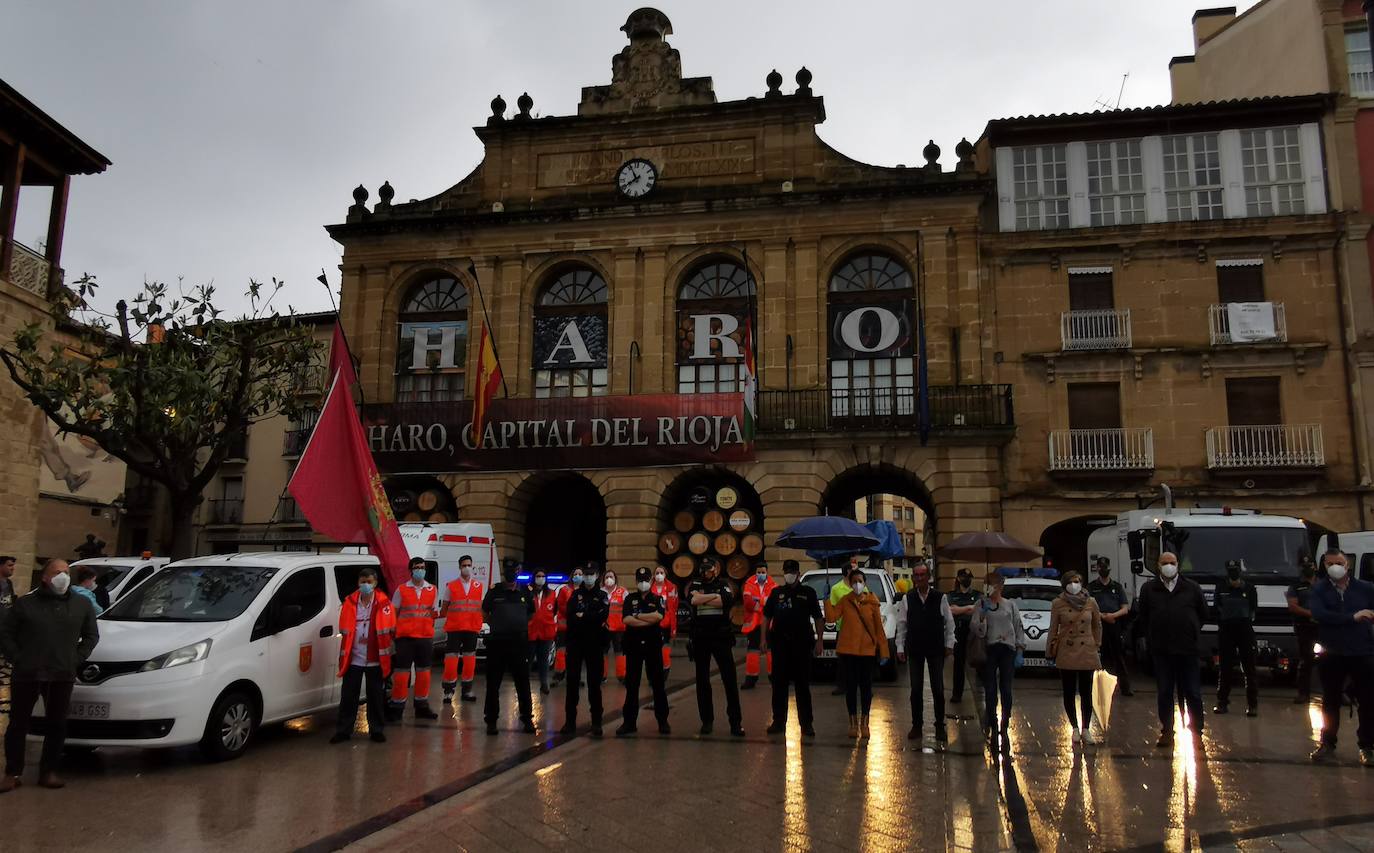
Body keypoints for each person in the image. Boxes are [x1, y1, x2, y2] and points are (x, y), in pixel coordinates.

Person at [0, 560, 99, 792]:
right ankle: (12, 772)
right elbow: (6, 633)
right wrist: (17, 658)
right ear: (45, 577)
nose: (62, 576)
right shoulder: (26, 604)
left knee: (56, 724)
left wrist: (76, 659)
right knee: (18, 724)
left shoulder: (81, 604)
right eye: (57, 573)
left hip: (61, 673)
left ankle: (48, 771)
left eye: (65, 572)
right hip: (28, 673)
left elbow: (91, 636)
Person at [1134, 551, 1207, 748]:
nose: (1169, 565)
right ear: (1158, 565)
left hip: (1187, 649)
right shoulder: (1149, 589)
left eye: (1172, 562)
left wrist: (1190, 631)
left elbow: (1203, 614)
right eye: (1165, 562)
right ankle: (1167, 731)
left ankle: (1197, 732)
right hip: (1162, 650)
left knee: (1193, 692)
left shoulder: (1191, 588)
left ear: (1178, 565)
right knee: (1165, 692)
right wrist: (1152, 637)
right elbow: (1144, 616)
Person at [1308, 550, 1374, 765]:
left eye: (1339, 562)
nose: (1334, 566)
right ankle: (1327, 743)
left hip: (1362, 652)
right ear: (1324, 566)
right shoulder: (1319, 589)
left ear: (1347, 565)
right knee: (1330, 700)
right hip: (1332, 652)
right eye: (1330, 563)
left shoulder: (1365, 589)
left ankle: (1368, 746)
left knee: (1367, 700)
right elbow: (1319, 614)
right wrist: (1352, 617)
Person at [330, 566, 395, 745]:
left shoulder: (384, 604)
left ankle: (377, 730)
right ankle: (343, 731)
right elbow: (344, 630)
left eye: (369, 582)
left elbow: (390, 631)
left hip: (376, 659)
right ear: (358, 583)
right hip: (354, 658)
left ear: (375, 583)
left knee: (375, 697)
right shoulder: (349, 603)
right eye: (362, 582)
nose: (365, 585)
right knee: (348, 697)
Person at [895, 559, 954, 746]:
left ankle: (939, 726)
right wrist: (900, 646)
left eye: (922, 575)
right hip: (915, 647)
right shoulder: (908, 598)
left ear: (929, 577)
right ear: (913, 578)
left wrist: (949, 643)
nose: (919, 578)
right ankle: (916, 725)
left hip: (935, 647)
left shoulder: (940, 597)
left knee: (937, 688)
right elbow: (902, 624)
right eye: (916, 576)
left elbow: (949, 623)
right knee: (916, 689)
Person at [763, 559, 824, 737]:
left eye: (792, 571)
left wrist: (819, 640)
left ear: (798, 573)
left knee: (802, 686)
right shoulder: (776, 593)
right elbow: (766, 617)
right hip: (780, 644)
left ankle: (806, 724)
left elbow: (818, 618)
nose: (789, 574)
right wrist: (763, 639)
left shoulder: (808, 592)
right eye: (786, 571)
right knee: (779, 685)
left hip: (802, 644)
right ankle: (778, 721)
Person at [829, 566, 889, 739]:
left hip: (867, 652)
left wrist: (884, 651)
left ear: (865, 583)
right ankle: (853, 724)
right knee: (850, 689)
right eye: (854, 582)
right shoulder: (845, 601)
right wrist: (828, 601)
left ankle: (865, 723)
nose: (856, 585)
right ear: (849, 583)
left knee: (866, 689)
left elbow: (879, 629)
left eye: (859, 581)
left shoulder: (872, 602)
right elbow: (832, 618)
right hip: (848, 652)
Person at [687, 556, 744, 736]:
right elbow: (693, 601)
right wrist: (713, 597)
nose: (706, 572)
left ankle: (735, 722)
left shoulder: (724, 584)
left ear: (715, 570)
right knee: (702, 680)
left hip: (721, 637)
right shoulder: (695, 584)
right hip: (701, 637)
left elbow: (725, 601)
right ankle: (707, 721)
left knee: (729, 680)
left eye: (709, 569)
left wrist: (704, 597)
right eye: (703, 569)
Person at [970, 572, 1025, 754]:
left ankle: (1005, 722)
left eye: (992, 584)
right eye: (987, 583)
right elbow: (977, 630)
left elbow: (1018, 627)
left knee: (1006, 688)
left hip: (1007, 649)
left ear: (1000, 586)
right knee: (990, 688)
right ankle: (992, 720)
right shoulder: (981, 604)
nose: (989, 587)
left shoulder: (1010, 605)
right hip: (990, 650)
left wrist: (1019, 650)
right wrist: (983, 615)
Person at [1048, 571, 1103, 744]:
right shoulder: (1058, 603)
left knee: (1087, 692)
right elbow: (1053, 628)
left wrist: (1097, 644)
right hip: (1067, 649)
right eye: (1071, 581)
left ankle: (1086, 728)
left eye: (1078, 581)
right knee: (1069, 691)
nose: (1075, 584)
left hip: (1086, 650)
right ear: (1065, 584)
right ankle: (1074, 728)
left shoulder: (1091, 602)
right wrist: (1049, 651)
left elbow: (1097, 625)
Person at [483, 558, 536, 735]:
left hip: (518, 643)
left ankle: (527, 718)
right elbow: (485, 612)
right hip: (498, 642)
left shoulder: (526, 592)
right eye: (507, 570)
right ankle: (491, 721)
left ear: (518, 571)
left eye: (513, 570)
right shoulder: (494, 591)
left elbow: (531, 613)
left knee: (522, 682)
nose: (510, 573)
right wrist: (498, 624)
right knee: (493, 684)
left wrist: (518, 624)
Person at [617, 567, 671, 736]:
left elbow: (658, 617)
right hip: (633, 646)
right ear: (636, 581)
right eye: (640, 580)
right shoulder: (630, 598)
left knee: (657, 684)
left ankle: (663, 721)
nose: (643, 583)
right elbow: (626, 619)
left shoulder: (658, 598)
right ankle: (629, 722)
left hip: (652, 646)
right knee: (632, 684)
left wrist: (638, 616)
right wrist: (646, 619)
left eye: (646, 579)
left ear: (651, 580)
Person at [388, 556, 439, 722]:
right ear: (411, 570)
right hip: (405, 638)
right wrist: (393, 634)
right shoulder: (401, 590)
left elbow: (432, 612)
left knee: (424, 673)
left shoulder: (432, 589)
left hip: (424, 637)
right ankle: (397, 707)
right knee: (402, 674)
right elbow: (393, 613)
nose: (420, 570)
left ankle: (421, 706)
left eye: (422, 567)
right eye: (417, 567)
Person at [560, 568, 609, 737]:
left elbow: (602, 616)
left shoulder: (602, 595)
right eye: (585, 574)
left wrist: (584, 616)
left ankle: (596, 722)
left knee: (594, 684)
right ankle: (570, 722)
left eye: (591, 574)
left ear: (596, 576)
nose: (587, 577)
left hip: (595, 644)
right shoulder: (575, 595)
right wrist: (590, 616)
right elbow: (571, 616)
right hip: (575, 643)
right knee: (572, 681)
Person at [1213, 559, 1259, 717]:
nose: (1234, 572)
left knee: (1249, 668)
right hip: (1226, 631)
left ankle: (1252, 705)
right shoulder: (1221, 587)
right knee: (1225, 668)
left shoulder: (1250, 588)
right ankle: (1222, 703)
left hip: (1244, 630)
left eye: (1236, 569)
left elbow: (1254, 609)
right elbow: (1216, 608)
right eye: (1231, 569)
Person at [439, 554, 483, 704]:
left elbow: (480, 608)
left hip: (471, 628)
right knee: (451, 660)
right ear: (459, 567)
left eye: (469, 565)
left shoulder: (478, 586)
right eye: (464, 565)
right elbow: (444, 608)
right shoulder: (450, 586)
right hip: (455, 628)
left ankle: (467, 689)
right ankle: (448, 690)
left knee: (470, 659)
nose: (467, 568)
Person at [1087, 557, 1133, 697]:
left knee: (1118, 657)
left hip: (1114, 625)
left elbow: (1125, 608)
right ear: (1098, 569)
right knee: (1096, 657)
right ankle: (1094, 689)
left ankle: (1125, 688)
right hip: (1098, 625)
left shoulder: (1117, 587)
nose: (1103, 570)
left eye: (1105, 567)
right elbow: (1088, 606)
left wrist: (1113, 616)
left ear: (1109, 568)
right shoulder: (1092, 587)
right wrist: (1102, 616)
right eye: (1100, 567)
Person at [947, 568, 981, 705]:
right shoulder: (951, 595)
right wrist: (968, 608)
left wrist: (961, 609)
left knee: (978, 662)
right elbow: (950, 610)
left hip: (973, 633)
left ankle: (980, 694)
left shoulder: (977, 594)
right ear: (958, 579)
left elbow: (977, 609)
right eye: (964, 577)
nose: (967, 580)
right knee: (958, 665)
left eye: (969, 577)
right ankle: (957, 694)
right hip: (958, 632)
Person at [1286, 558, 1319, 705]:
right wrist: (1311, 614)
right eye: (1304, 566)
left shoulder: (1323, 584)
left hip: (1323, 626)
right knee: (1306, 660)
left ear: (1315, 567)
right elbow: (1293, 606)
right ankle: (1303, 693)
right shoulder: (1296, 586)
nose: (1307, 568)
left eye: (1310, 566)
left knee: (1332, 659)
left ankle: (1338, 693)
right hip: (1304, 627)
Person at [741, 561, 777, 690]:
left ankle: (775, 678)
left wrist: (758, 602)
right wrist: (763, 603)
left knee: (771, 651)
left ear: (767, 572)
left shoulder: (773, 584)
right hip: (754, 624)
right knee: (752, 652)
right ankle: (750, 679)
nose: (761, 574)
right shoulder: (749, 583)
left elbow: (774, 602)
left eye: (763, 572)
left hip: (769, 624)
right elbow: (747, 602)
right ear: (755, 573)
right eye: (758, 572)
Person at [828, 557, 857, 696]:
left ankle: (859, 686)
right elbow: (833, 609)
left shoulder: (859, 585)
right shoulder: (836, 589)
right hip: (843, 628)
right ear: (847, 572)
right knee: (843, 660)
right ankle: (841, 686)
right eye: (852, 569)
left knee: (858, 659)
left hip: (858, 629)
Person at [552, 565, 583, 686]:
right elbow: (561, 606)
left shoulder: (585, 590)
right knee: (561, 650)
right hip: (565, 625)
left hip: (579, 626)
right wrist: (574, 612)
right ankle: (559, 674)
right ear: (572, 576)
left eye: (580, 574)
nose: (578, 576)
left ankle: (575, 676)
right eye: (576, 574)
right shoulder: (564, 590)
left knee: (576, 652)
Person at [528, 569, 558, 695]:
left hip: (546, 631)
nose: (540, 578)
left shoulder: (551, 593)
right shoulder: (528, 592)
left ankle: (544, 683)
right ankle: (524, 684)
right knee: (528, 660)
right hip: (531, 630)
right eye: (538, 576)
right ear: (534, 578)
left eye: (542, 576)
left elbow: (555, 610)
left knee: (544, 660)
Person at [649, 565, 678, 675]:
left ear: (665, 574)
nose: (659, 575)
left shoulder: (672, 587)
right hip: (652, 621)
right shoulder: (649, 587)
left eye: (661, 573)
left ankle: (666, 666)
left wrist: (673, 623)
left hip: (666, 621)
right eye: (657, 573)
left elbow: (674, 606)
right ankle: (653, 668)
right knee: (653, 645)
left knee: (665, 644)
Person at [601, 566, 627, 685]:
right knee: (603, 652)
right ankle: (602, 675)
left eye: (611, 577)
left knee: (620, 651)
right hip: (604, 627)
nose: (609, 579)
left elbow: (628, 609)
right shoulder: (600, 592)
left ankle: (622, 675)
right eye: (607, 577)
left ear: (615, 579)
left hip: (619, 628)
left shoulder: (623, 591)